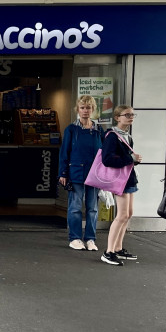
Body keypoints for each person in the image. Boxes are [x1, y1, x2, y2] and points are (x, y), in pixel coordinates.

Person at [58, 95, 103, 251]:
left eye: (88, 107)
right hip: (76, 172)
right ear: (78, 109)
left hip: (94, 174)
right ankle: (75, 238)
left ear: (93, 109)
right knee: (75, 207)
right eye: (82, 107)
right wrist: (62, 173)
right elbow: (65, 152)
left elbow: (103, 154)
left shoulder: (98, 129)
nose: (85, 110)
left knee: (93, 208)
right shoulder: (71, 129)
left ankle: (90, 238)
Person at [99, 105, 141, 266]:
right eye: (127, 115)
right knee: (122, 215)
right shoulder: (112, 136)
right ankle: (108, 251)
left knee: (128, 213)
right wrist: (131, 159)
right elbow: (107, 159)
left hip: (128, 178)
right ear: (117, 117)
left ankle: (118, 248)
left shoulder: (127, 136)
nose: (130, 117)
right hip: (120, 180)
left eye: (132, 115)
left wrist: (132, 160)